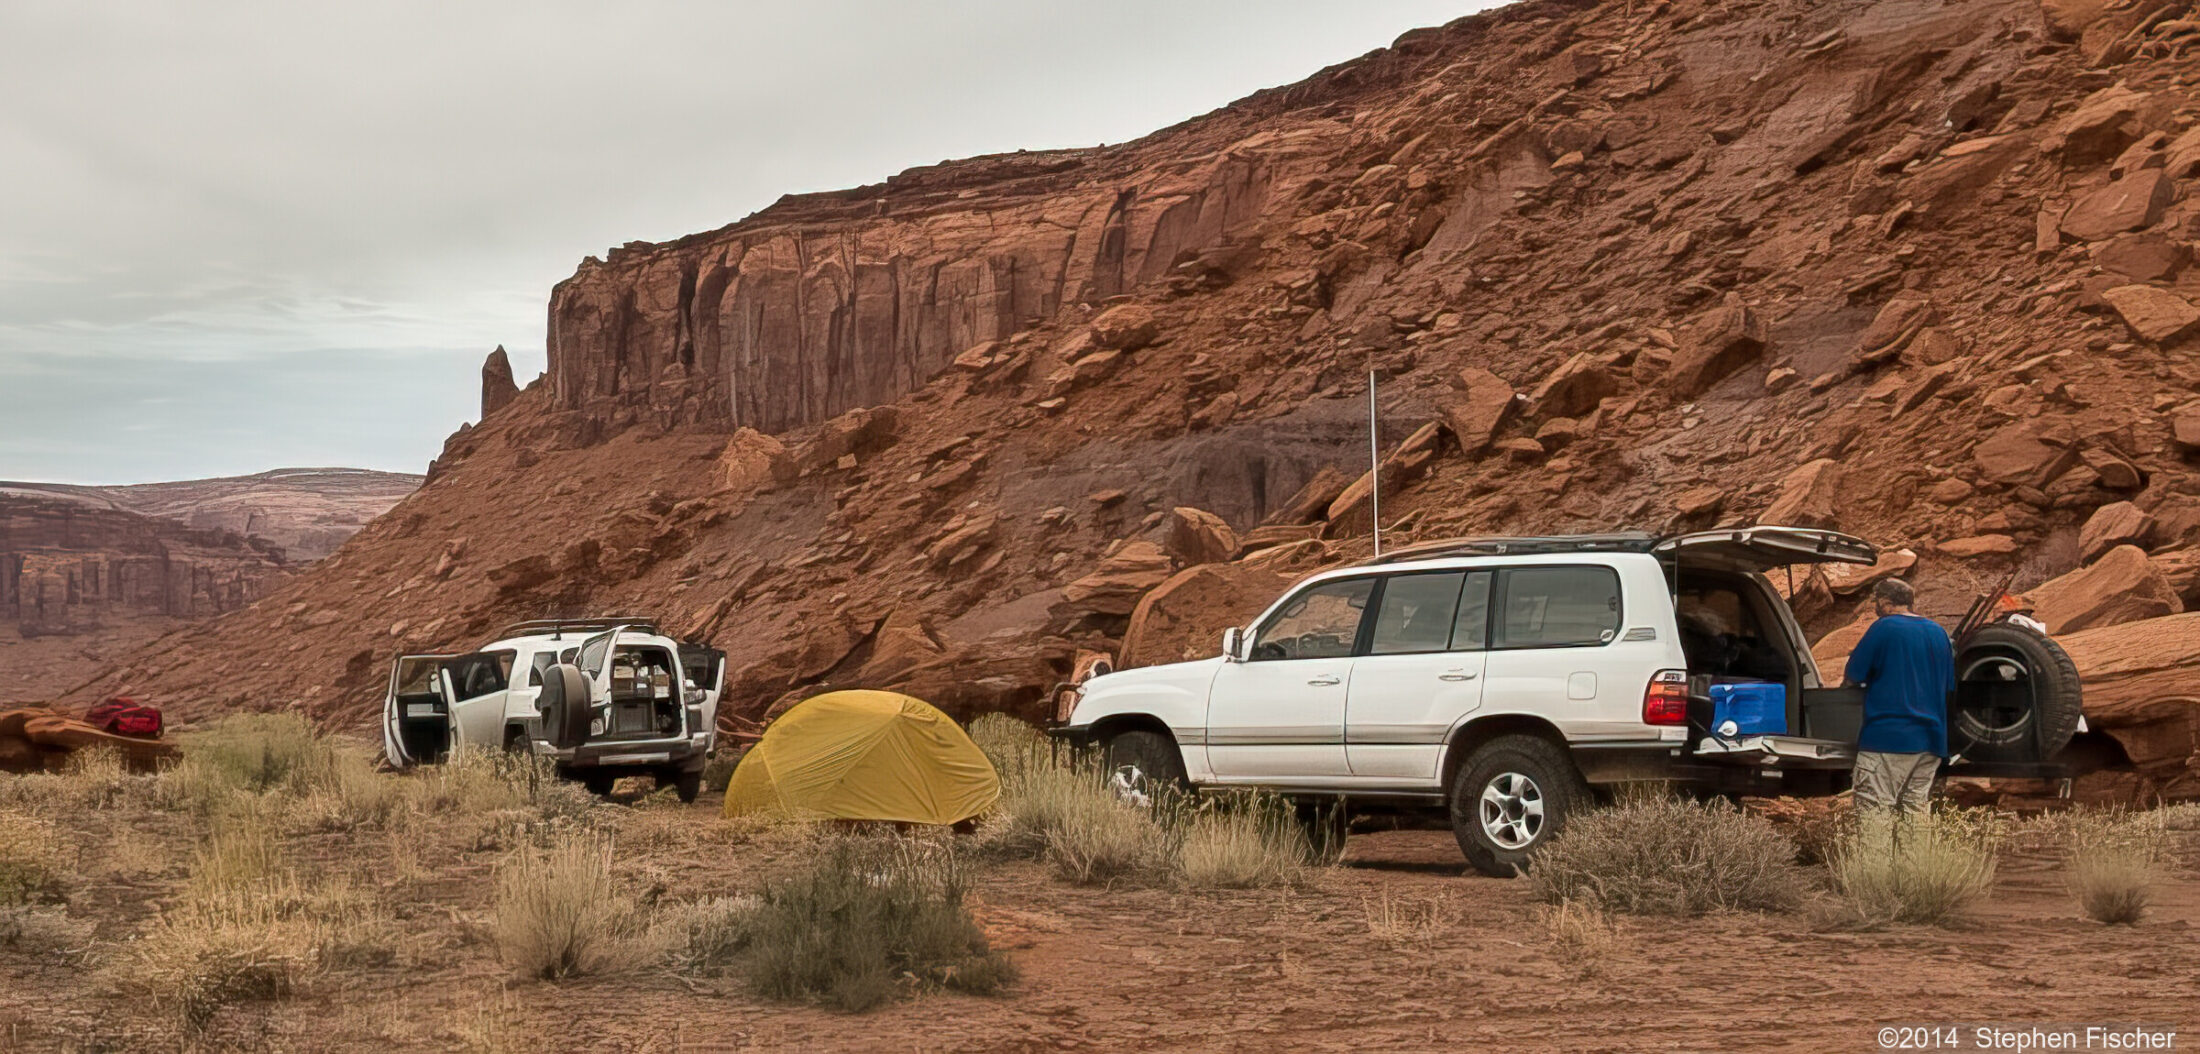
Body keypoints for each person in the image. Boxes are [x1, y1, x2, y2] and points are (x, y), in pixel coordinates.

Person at [1843, 578, 1954, 819]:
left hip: (1889, 738)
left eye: (1876, 601)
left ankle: (1876, 848)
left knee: (1874, 811)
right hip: (1931, 741)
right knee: (1915, 812)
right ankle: (1916, 848)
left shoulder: (1884, 628)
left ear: (1885, 602)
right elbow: (1948, 685)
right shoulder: (1938, 632)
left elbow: (1854, 675)